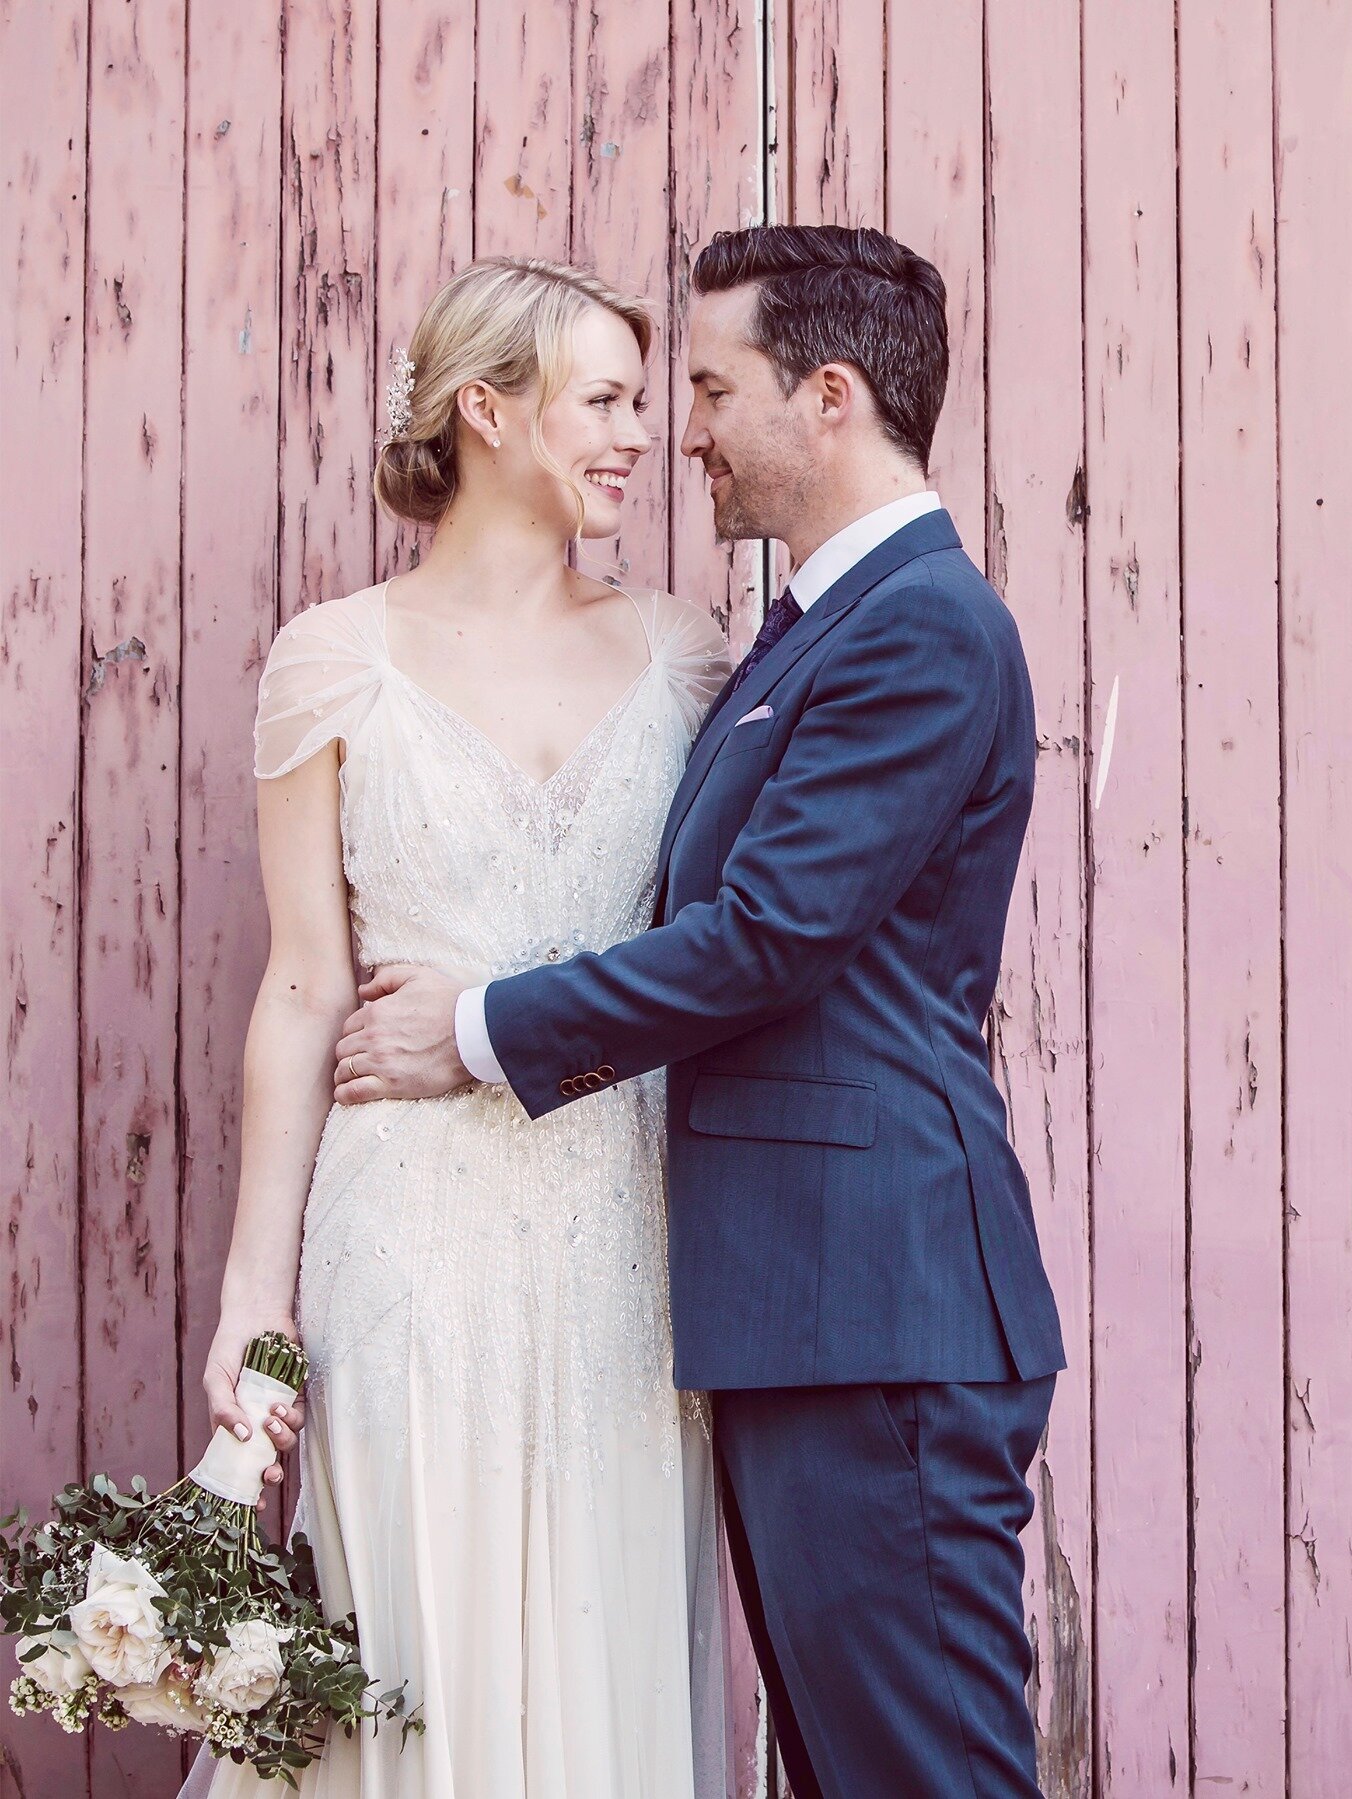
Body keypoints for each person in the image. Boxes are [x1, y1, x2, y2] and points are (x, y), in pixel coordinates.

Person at [341, 224, 1067, 1799]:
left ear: (828, 396)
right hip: (804, 1308)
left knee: (925, 1774)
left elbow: (765, 939)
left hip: (881, 1307)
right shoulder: (810, 634)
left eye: (715, 385)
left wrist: (477, 1028)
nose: (685, 427)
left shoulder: (928, 627)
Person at [190, 256, 732, 1798]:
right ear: (486, 410)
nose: (643, 434)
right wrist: (253, 1299)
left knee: (605, 1630)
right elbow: (303, 986)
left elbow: (718, 955)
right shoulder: (334, 658)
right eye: (607, 399)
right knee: (409, 1650)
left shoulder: (686, 657)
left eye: (646, 400)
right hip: (408, 1235)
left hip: (627, 1235)